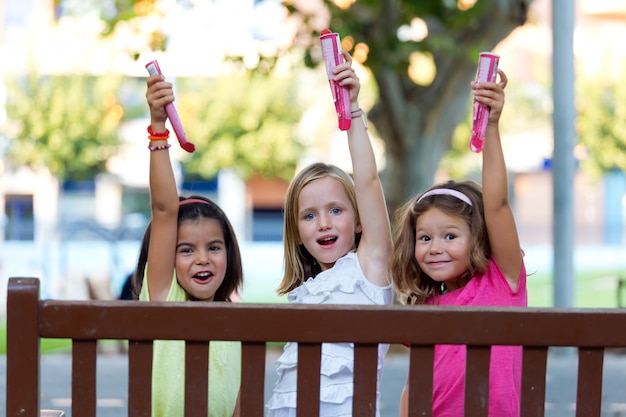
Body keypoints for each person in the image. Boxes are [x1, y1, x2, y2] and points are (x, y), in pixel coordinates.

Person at [265, 49, 393, 417]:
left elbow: (367, 182)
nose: (323, 223)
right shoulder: (303, 295)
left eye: (336, 211)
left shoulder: (369, 270)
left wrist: (353, 109)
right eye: (309, 216)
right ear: (297, 232)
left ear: (358, 222)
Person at [392, 69, 526, 417]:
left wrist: (492, 125)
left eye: (450, 236)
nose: (434, 247)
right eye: (424, 238)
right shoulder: (425, 307)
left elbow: (496, 205)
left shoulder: (502, 281)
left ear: (479, 237)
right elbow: (414, 385)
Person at [137, 73, 244, 417]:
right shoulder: (164, 297)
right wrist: (158, 128)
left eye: (214, 247)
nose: (203, 259)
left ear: (229, 253)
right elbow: (165, 210)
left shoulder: (238, 319)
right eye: (186, 250)